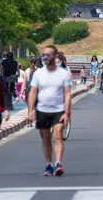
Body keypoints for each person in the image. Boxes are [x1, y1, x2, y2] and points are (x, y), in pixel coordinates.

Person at [28, 45, 72, 177]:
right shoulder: (38, 73)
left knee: (58, 135)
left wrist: (67, 112)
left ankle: (58, 163)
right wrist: (30, 110)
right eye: (43, 55)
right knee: (46, 138)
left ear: (54, 56)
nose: (44, 57)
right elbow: (32, 92)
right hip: (42, 109)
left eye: (48, 55)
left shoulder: (63, 74)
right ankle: (48, 164)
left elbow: (68, 93)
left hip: (59, 109)